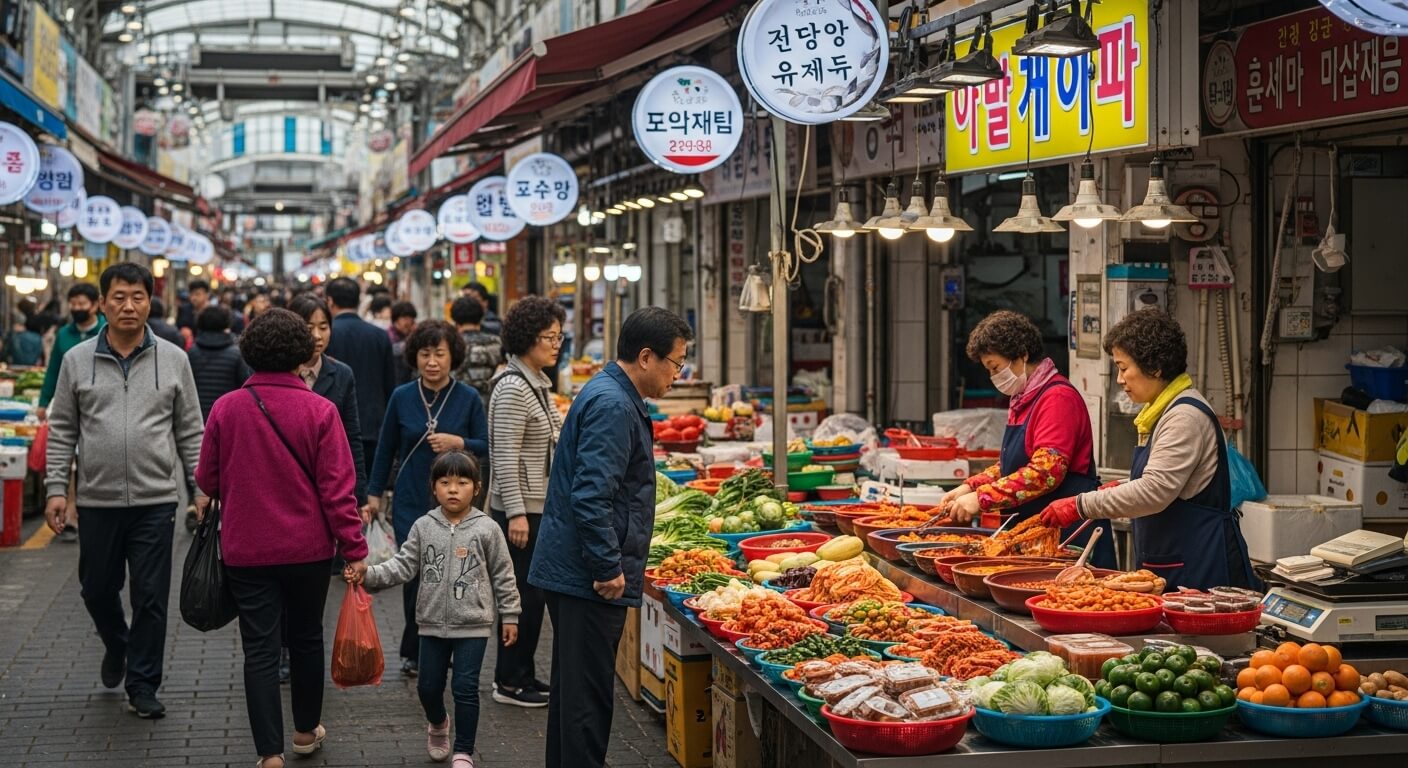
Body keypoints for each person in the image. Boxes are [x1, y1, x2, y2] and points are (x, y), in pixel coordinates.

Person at [194, 308, 369, 768]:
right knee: (307, 637)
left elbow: (207, 480)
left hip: (246, 550)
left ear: (250, 353)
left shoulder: (226, 409)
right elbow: (338, 491)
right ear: (300, 352)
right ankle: (306, 731)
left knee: (259, 649)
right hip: (308, 551)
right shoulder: (320, 410)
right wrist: (355, 549)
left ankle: (269, 753)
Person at [529, 307, 692, 768]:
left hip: (573, 569)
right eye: (676, 363)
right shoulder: (614, 405)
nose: (677, 375)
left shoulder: (610, 393)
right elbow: (591, 496)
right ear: (646, 357)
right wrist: (608, 568)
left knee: (573, 692)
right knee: (586, 701)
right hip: (585, 575)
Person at [44, 262, 207, 719]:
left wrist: (199, 488)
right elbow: (61, 430)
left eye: (137, 296)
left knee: (151, 597)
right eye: (118, 297)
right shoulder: (77, 360)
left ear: (149, 302)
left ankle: (143, 684)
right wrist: (57, 488)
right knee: (96, 589)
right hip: (97, 501)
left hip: (157, 502)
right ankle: (118, 644)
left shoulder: (174, 358)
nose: (128, 306)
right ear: (102, 304)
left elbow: (191, 431)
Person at [1040, 309, 1258, 591]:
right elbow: (1170, 482)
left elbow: (1155, 491)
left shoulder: (1183, 417)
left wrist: (1079, 505)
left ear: (1154, 368)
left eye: (1123, 367)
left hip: (1199, 567)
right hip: (1174, 560)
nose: (1120, 379)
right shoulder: (1162, 412)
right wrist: (1121, 487)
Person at [352, 451, 520, 768]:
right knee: (428, 687)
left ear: (477, 487)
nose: (453, 489)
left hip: (474, 625)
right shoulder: (423, 527)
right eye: (445, 482)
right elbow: (403, 566)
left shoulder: (488, 529)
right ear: (434, 487)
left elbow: (504, 574)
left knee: (466, 689)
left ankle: (463, 752)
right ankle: (439, 722)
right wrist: (368, 575)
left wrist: (510, 615)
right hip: (430, 624)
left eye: (462, 482)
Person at [940, 310, 1115, 568]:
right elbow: (1013, 463)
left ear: (1021, 355)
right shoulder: (1023, 399)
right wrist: (971, 486)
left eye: (995, 368)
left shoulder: (1057, 398)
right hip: (1035, 535)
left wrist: (982, 498)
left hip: (1067, 535)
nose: (993, 378)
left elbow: (1045, 471)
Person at [364, 320, 488, 678]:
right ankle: (414, 649)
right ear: (414, 357)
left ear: (454, 357)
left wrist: (458, 443)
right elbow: (386, 449)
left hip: (456, 502)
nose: (432, 361)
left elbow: (485, 444)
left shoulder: (467, 398)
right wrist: (373, 495)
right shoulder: (403, 396)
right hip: (410, 498)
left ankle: (448, 644)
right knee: (417, 574)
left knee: (452, 574)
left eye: (439, 354)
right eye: (424, 354)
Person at [486, 296, 564, 707]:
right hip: (521, 511)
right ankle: (509, 682)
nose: (556, 344)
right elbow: (504, 456)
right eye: (548, 337)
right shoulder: (515, 387)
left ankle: (523, 675)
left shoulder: (536, 382)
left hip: (536, 507)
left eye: (558, 336)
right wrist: (515, 512)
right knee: (521, 599)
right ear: (526, 339)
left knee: (531, 599)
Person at [288, 294, 368, 508]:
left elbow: (352, 435)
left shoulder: (341, 374)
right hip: (287, 481)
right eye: (308, 327)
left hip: (330, 482)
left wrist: (359, 494)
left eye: (323, 327)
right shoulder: (278, 374)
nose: (317, 336)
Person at [324, 278, 396, 474]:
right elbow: (390, 384)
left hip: (335, 425)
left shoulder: (326, 337)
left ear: (329, 301)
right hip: (373, 423)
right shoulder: (380, 335)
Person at [38, 282, 105, 421]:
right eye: (72, 304)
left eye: (81, 304)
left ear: (95, 305)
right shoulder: (63, 334)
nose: (76, 308)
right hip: (69, 403)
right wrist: (43, 402)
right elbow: (54, 369)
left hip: (100, 404)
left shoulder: (107, 332)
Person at [188, 305, 251, 421]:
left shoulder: (192, 353)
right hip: (228, 417)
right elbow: (245, 388)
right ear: (226, 324)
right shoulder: (236, 354)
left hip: (198, 418)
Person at [451, 296, 504, 400]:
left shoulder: (452, 344)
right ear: (481, 318)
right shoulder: (496, 342)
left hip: (460, 403)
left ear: (455, 320)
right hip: (491, 404)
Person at [390, 301, 419, 385]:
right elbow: (395, 349)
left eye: (411, 319)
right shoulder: (388, 336)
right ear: (395, 320)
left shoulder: (411, 335)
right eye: (405, 318)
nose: (408, 322)